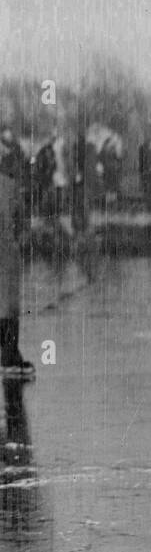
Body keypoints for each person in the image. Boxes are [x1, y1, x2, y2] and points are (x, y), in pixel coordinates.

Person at [0, 132, 32, 377]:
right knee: (8, 307)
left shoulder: (10, 187)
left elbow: (22, 223)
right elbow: (23, 224)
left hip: (7, 254)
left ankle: (10, 354)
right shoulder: (11, 187)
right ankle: (10, 355)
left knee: (8, 306)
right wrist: (16, 244)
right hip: (7, 255)